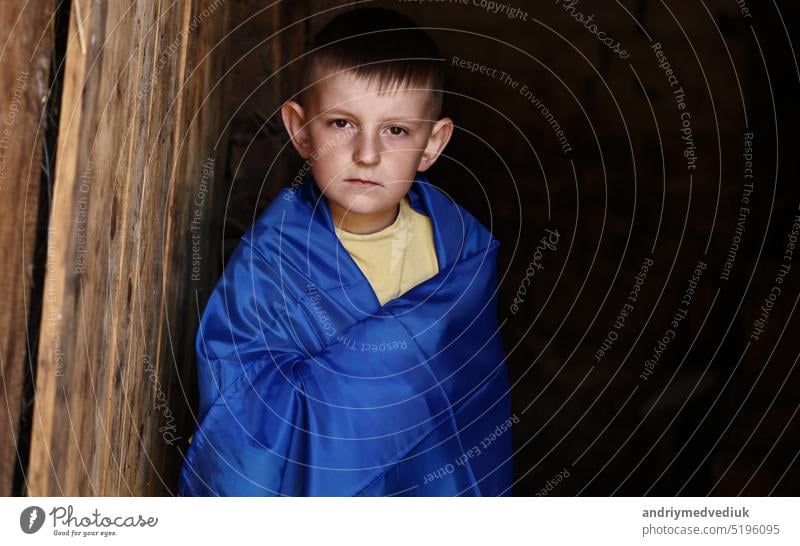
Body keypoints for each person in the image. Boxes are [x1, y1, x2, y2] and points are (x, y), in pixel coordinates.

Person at [179, 7, 514, 496]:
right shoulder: (272, 264)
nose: (368, 153)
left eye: (396, 130)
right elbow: (242, 414)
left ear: (432, 143)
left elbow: (472, 408)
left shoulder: (461, 255)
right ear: (299, 129)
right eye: (341, 123)